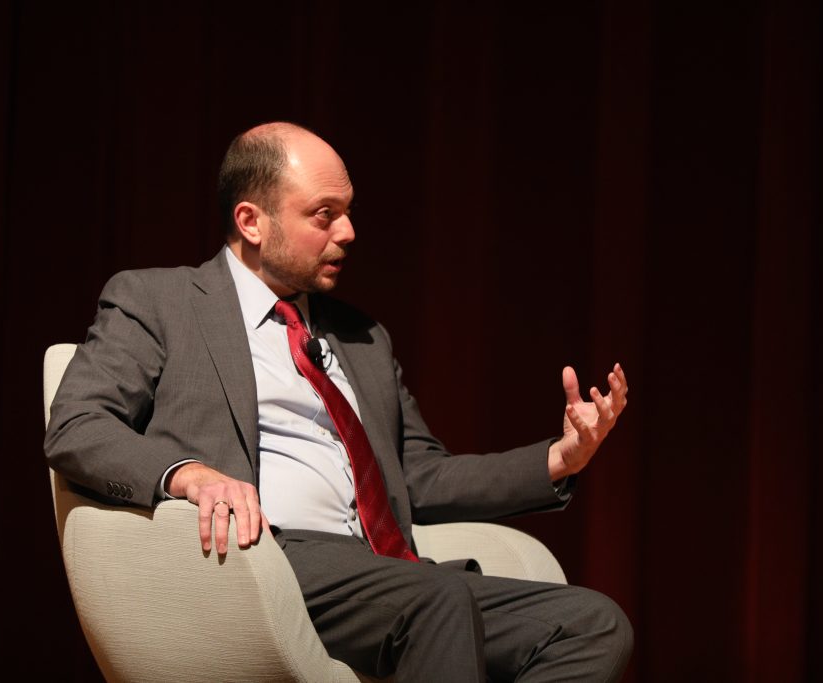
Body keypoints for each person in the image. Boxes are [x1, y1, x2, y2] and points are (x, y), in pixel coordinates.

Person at [45, 121, 633, 681]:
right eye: (324, 215)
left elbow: (418, 477)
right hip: (264, 560)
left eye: (348, 212)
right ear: (251, 221)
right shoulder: (160, 301)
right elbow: (76, 426)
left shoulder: (362, 337)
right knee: (439, 599)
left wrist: (559, 459)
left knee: (593, 626)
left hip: (385, 574)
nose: (348, 232)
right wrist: (190, 475)